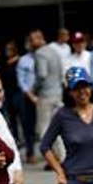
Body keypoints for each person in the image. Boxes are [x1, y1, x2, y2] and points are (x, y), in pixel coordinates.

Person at [33, 29, 66, 162]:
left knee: (43, 129)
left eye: (32, 39)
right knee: (57, 127)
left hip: (46, 95)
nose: (30, 43)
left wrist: (35, 88)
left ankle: (51, 159)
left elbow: (42, 74)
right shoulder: (54, 51)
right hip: (57, 94)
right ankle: (63, 156)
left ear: (40, 39)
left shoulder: (40, 53)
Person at [17, 33, 40, 160]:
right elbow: (22, 82)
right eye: (31, 41)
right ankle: (30, 152)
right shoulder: (24, 60)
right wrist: (31, 96)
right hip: (28, 96)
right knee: (29, 126)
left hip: (43, 95)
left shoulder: (44, 57)